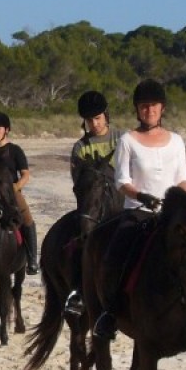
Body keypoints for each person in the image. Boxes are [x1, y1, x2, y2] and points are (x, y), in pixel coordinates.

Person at [91, 78, 186, 340]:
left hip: (170, 214)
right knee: (117, 252)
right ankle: (109, 313)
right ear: (137, 109)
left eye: (154, 105)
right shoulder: (128, 140)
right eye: (144, 106)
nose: (149, 110)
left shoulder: (177, 141)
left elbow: (182, 179)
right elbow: (121, 181)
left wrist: (184, 208)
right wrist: (142, 196)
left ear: (162, 108)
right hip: (138, 211)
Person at [63, 90, 117, 316]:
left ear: (106, 116)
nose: (94, 124)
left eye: (97, 118)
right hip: (92, 206)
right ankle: (77, 290)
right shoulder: (80, 147)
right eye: (89, 120)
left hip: (120, 201)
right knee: (78, 240)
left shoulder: (122, 139)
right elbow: (79, 184)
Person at [0, 112, 38, 275]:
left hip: (11, 193)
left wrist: (15, 188)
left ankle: (32, 259)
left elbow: (25, 174)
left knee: (27, 219)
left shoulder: (15, 151)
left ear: (6, 130)